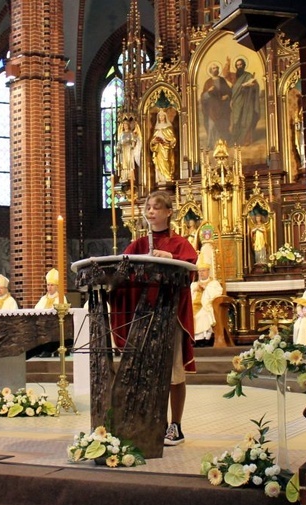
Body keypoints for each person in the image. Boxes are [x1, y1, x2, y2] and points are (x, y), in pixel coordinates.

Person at [111, 191, 197, 446]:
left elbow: (191, 269)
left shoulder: (180, 243)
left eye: (156, 208)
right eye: (148, 207)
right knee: (143, 373)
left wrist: (172, 259)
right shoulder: (138, 244)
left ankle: (175, 425)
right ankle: (149, 421)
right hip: (143, 316)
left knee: (173, 372)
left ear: (169, 212)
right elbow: (120, 269)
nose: (151, 212)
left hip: (169, 316)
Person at [224, 56, 260, 146]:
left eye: (240, 65)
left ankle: (246, 140)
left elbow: (255, 86)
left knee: (246, 119)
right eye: (237, 65)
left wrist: (251, 85)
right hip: (236, 102)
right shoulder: (234, 76)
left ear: (244, 65)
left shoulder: (248, 75)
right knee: (236, 121)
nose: (239, 66)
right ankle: (235, 140)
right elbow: (225, 74)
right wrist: (228, 64)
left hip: (246, 102)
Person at [190, 260, 223, 346]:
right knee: (189, 314)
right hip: (193, 305)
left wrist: (206, 288)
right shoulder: (193, 284)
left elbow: (216, 294)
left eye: (203, 270)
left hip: (206, 305)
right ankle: (192, 338)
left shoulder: (213, 283)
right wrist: (194, 290)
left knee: (203, 315)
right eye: (199, 271)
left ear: (208, 271)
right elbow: (188, 295)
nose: (201, 273)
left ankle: (203, 339)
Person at [200, 62, 232, 148]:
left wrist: (227, 96)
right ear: (210, 71)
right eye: (213, 68)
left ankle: (224, 143)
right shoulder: (208, 82)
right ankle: (211, 144)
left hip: (222, 107)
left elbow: (229, 91)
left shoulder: (222, 80)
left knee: (223, 125)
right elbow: (203, 97)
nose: (216, 69)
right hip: (212, 108)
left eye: (217, 68)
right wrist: (208, 91)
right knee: (211, 126)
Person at [149, 109, 177, 182]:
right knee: (159, 163)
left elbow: (173, 138)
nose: (161, 117)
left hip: (166, 148)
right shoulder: (156, 128)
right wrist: (154, 142)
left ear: (165, 117)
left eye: (162, 116)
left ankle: (167, 176)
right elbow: (152, 140)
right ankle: (160, 178)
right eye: (160, 116)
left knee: (166, 160)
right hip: (158, 149)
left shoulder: (168, 127)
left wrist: (169, 142)